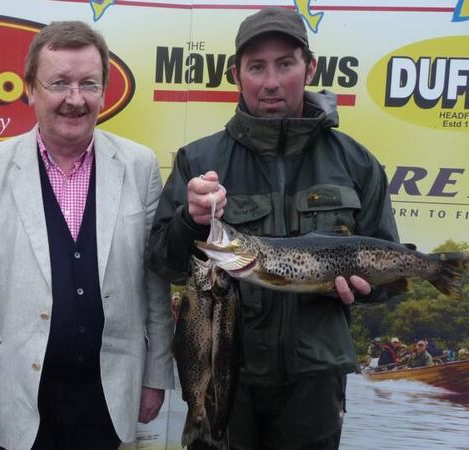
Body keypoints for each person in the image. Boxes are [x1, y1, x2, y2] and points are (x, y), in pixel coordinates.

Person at [147, 7, 399, 449]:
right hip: (223, 372)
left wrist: (366, 288)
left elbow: (389, 274)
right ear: (236, 74)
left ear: (310, 67)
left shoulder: (357, 163)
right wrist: (190, 220)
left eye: (285, 63)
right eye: (256, 66)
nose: (270, 81)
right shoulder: (197, 160)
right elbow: (163, 263)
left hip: (316, 382)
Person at [0, 21, 174, 450]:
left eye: (89, 83)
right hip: (16, 393)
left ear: (105, 91)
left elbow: (154, 283)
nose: (75, 98)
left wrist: (156, 376)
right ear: (30, 89)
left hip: (109, 391)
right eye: (59, 83)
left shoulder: (140, 165)